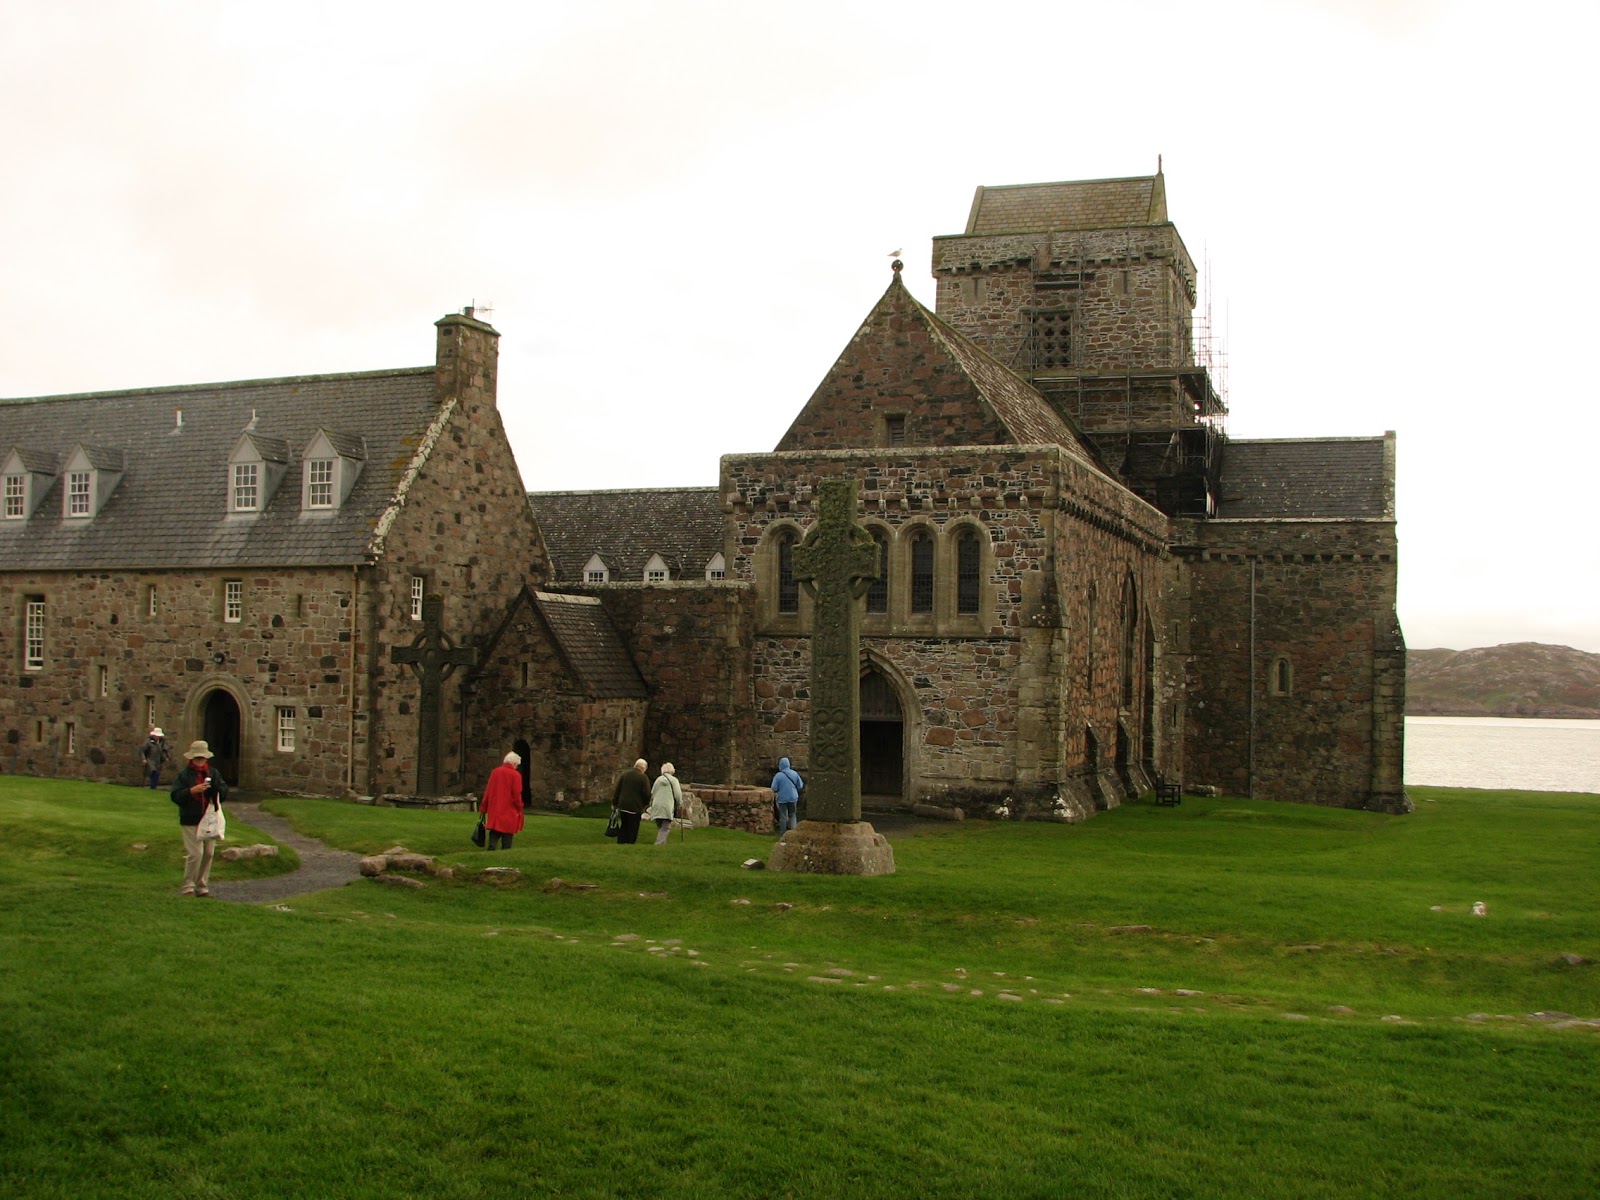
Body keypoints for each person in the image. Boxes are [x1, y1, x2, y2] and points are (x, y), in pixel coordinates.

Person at [170, 739, 228, 897]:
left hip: (209, 819)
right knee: (196, 854)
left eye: (202, 758)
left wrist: (215, 790)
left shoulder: (213, 773)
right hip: (190, 818)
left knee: (208, 853)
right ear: (191, 758)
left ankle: (202, 887)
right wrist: (192, 791)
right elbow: (175, 796)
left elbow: (223, 791)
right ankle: (188, 886)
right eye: (197, 758)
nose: (200, 761)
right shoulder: (184, 775)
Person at [480, 751, 525, 850]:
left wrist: (484, 806)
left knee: (495, 830)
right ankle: (506, 849)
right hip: (509, 808)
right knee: (508, 832)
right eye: (517, 765)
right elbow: (516, 794)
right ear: (514, 763)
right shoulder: (515, 775)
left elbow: (488, 790)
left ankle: (492, 847)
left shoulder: (495, 772)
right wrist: (520, 806)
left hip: (495, 807)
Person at [611, 758, 651, 844]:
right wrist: (645, 804)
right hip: (635, 807)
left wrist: (615, 803)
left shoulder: (625, 774)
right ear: (644, 768)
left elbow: (618, 789)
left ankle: (621, 842)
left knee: (624, 825)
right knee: (633, 827)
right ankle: (630, 843)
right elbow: (647, 793)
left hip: (623, 805)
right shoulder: (643, 778)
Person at [647, 762, 682, 845]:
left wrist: (651, 804)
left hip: (657, 805)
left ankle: (663, 845)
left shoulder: (658, 780)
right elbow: (677, 794)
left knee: (661, 826)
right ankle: (658, 844)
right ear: (672, 770)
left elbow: (653, 792)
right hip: (667, 806)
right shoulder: (674, 780)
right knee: (666, 827)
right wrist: (680, 803)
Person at [771, 756, 804, 835]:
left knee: (783, 816)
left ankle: (782, 833)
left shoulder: (778, 775)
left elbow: (774, 788)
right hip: (793, 797)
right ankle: (794, 833)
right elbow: (800, 785)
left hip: (782, 798)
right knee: (792, 815)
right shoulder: (794, 773)